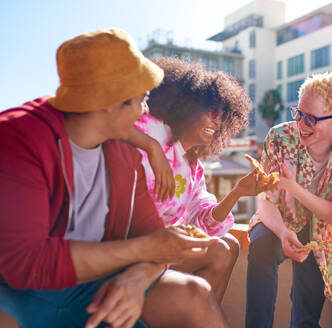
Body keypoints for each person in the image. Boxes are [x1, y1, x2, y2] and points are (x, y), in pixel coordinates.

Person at [0, 28, 230, 328]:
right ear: (110, 100)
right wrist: (143, 251)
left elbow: (153, 237)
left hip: (92, 290)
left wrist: (139, 276)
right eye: (142, 99)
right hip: (16, 291)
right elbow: (26, 264)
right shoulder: (18, 138)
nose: (146, 110)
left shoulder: (125, 154)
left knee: (193, 294)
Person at [128, 57, 274, 302]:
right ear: (186, 107)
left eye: (223, 115)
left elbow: (204, 221)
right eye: (211, 111)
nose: (217, 121)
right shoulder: (154, 131)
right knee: (219, 250)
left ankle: (196, 315)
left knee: (228, 244)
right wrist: (152, 147)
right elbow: (116, 125)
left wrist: (237, 192)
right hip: (128, 252)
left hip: (162, 254)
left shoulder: (193, 167)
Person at [246, 72, 332, 328]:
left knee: (306, 310)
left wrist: (293, 187)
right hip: (280, 218)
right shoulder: (279, 138)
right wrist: (283, 231)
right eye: (298, 113)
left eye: (311, 118)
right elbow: (265, 199)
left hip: (325, 232)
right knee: (261, 247)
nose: (301, 123)